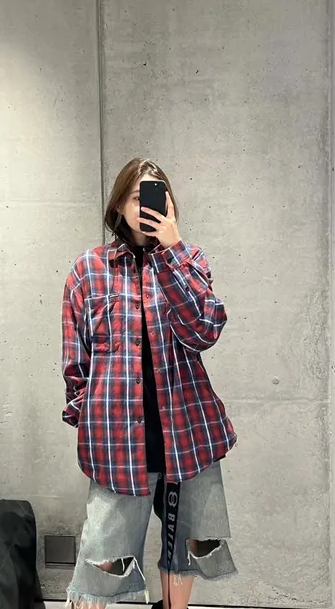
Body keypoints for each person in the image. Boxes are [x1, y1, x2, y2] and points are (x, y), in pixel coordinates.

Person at [61, 158, 237, 609]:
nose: (148, 205)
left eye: (158, 195)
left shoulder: (189, 260)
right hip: (118, 440)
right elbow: (75, 359)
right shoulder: (89, 269)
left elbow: (204, 331)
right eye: (138, 196)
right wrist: (87, 416)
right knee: (103, 557)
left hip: (187, 433)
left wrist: (172, 252)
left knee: (187, 547)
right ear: (119, 204)